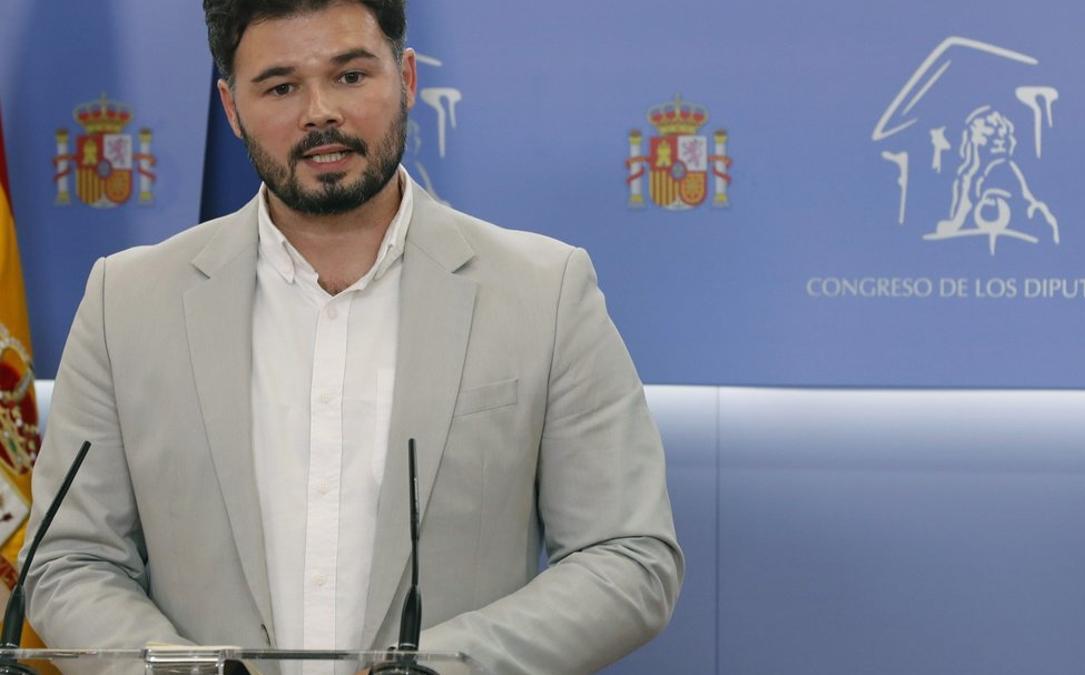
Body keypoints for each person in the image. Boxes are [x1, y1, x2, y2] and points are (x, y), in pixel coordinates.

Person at [20, 1, 683, 673]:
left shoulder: (545, 292)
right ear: (230, 106)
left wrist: (448, 665)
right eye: (280, 87)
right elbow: (68, 557)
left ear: (408, 77)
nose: (319, 113)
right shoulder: (126, 302)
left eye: (350, 77)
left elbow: (627, 556)